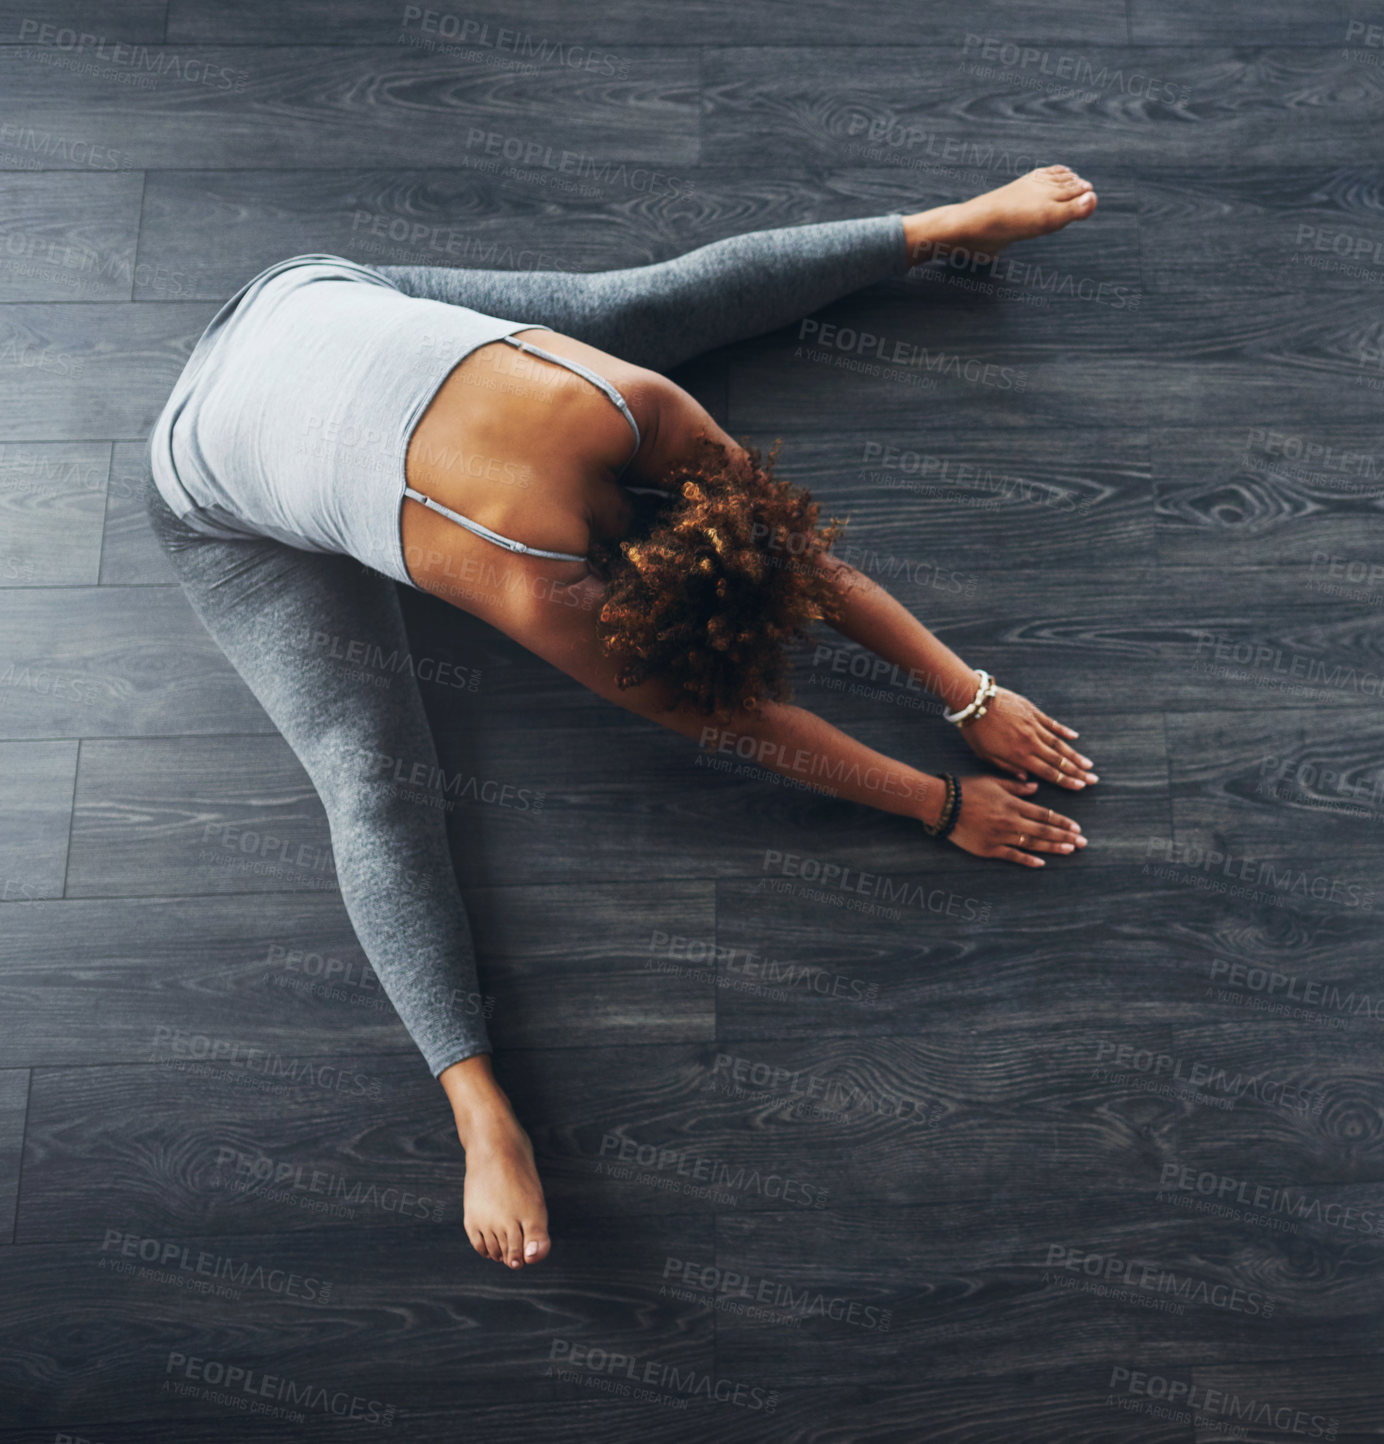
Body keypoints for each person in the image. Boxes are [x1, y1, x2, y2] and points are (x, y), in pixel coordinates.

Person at [144, 164, 1100, 1272]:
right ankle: (477, 1107)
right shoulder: (525, 571)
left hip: (309, 297)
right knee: (370, 780)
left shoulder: (627, 401)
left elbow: (795, 550)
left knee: (644, 305)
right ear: (615, 598)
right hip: (206, 472)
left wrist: (965, 690)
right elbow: (730, 720)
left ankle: (945, 225)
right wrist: (935, 805)